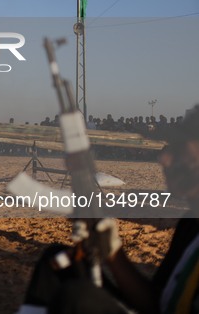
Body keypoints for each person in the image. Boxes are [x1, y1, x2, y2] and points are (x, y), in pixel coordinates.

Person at [20, 104, 199, 314]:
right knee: (58, 260)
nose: (164, 158)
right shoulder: (190, 223)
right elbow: (154, 303)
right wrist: (113, 252)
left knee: (77, 297)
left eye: (179, 148)